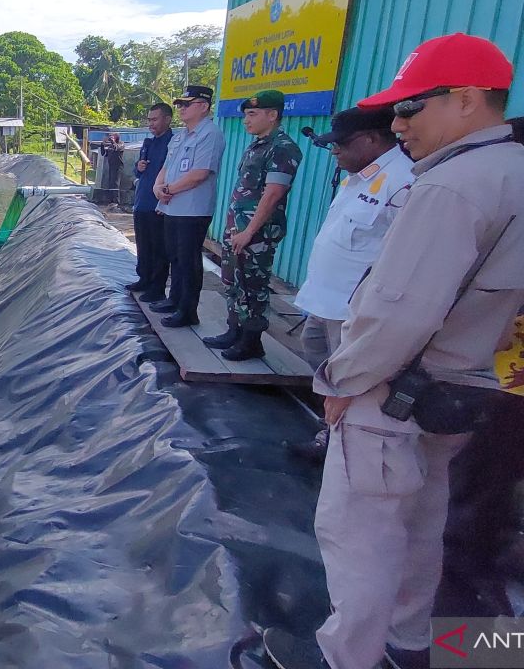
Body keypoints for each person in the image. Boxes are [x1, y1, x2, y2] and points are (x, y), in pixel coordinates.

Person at [262, 33, 524, 669]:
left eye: (411, 108)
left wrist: (340, 381)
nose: (398, 123)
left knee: (363, 535)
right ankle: (415, 645)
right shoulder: (510, 171)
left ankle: (347, 656)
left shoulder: (450, 186)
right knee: (427, 526)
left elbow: (400, 310)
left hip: (399, 388)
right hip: (463, 388)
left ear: (465, 101)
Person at [289, 107, 414, 462]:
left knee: (348, 379)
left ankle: (340, 447)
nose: (334, 151)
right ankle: (329, 427)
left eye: (341, 144)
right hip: (325, 298)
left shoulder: (403, 182)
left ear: (372, 140)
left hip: (352, 308)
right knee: (317, 356)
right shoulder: (359, 176)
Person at [203, 89, 302, 360]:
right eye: (246, 115)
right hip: (239, 227)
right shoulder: (257, 144)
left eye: (252, 114)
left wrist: (249, 231)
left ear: (273, 115)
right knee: (233, 281)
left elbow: (273, 194)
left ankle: (251, 341)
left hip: (257, 232)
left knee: (252, 286)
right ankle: (234, 330)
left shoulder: (282, 147)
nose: (246, 120)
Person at [150, 85, 226, 328]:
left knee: (188, 260)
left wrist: (167, 190)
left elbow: (199, 174)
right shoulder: (182, 135)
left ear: (203, 106)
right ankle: (174, 300)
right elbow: (167, 166)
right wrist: (157, 186)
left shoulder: (210, 134)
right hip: (172, 206)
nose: (181, 108)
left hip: (193, 209)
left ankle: (187, 310)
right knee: (174, 255)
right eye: (180, 104)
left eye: (186, 104)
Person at [126, 103, 174, 301]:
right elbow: (137, 172)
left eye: (155, 119)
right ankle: (143, 278)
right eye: (149, 120)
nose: (151, 123)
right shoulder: (148, 143)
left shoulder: (173, 144)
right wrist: (139, 167)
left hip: (158, 204)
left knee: (158, 247)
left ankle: (156, 287)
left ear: (167, 119)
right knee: (143, 244)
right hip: (142, 201)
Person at [99, 132, 123, 202]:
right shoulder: (110, 146)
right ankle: (110, 200)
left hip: (118, 166)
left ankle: (116, 201)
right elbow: (103, 153)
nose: (111, 138)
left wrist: (113, 142)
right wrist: (102, 145)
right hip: (111, 165)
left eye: (113, 136)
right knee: (110, 183)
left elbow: (116, 148)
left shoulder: (121, 144)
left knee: (115, 184)